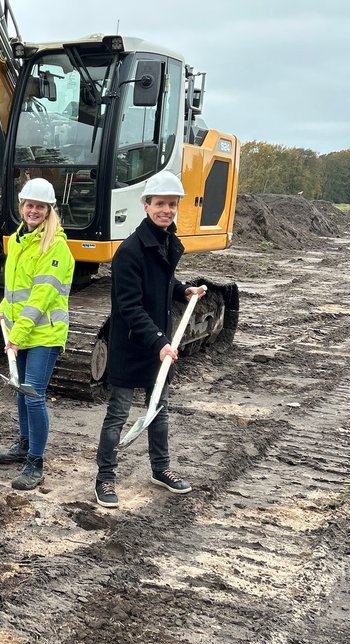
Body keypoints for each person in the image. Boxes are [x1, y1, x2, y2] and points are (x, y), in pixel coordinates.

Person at [92, 170, 206, 509]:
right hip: (133, 345)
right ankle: (105, 478)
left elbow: (161, 279)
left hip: (159, 344)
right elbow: (128, 305)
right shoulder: (129, 251)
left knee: (159, 411)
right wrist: (160, 342)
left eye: (172, 205)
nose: (166, 210)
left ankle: (160, 469)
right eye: (160, 204)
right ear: (146, 206)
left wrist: (182, 288)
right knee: (118, 414)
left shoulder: (166, 242)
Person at [0, 178, 75, 490]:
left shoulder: (55, 247)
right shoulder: (17, 241)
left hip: (44, 334)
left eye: (40, 206)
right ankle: (25, 444)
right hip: (22, 332)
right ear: (22, 206)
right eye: (29, 205)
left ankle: (35, 462)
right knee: (21, 392)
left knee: (34, 394)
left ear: (49, 209)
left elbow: (41, 296)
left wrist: (18, 335)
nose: (33, 210)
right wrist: (2, 307)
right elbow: (16, 288)